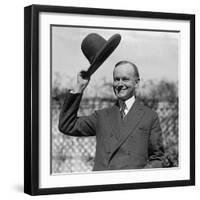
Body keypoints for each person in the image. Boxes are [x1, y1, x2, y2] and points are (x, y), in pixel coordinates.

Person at [58, 59, 165, 171]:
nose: (119, 84)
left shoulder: (150, 116)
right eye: (116, 79)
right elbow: (67, 125)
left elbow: (157, 158)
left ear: (136, 83)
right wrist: (79, 87)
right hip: (103, 185)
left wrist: (140, 179)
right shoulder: (101, 116)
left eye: (125, 79)